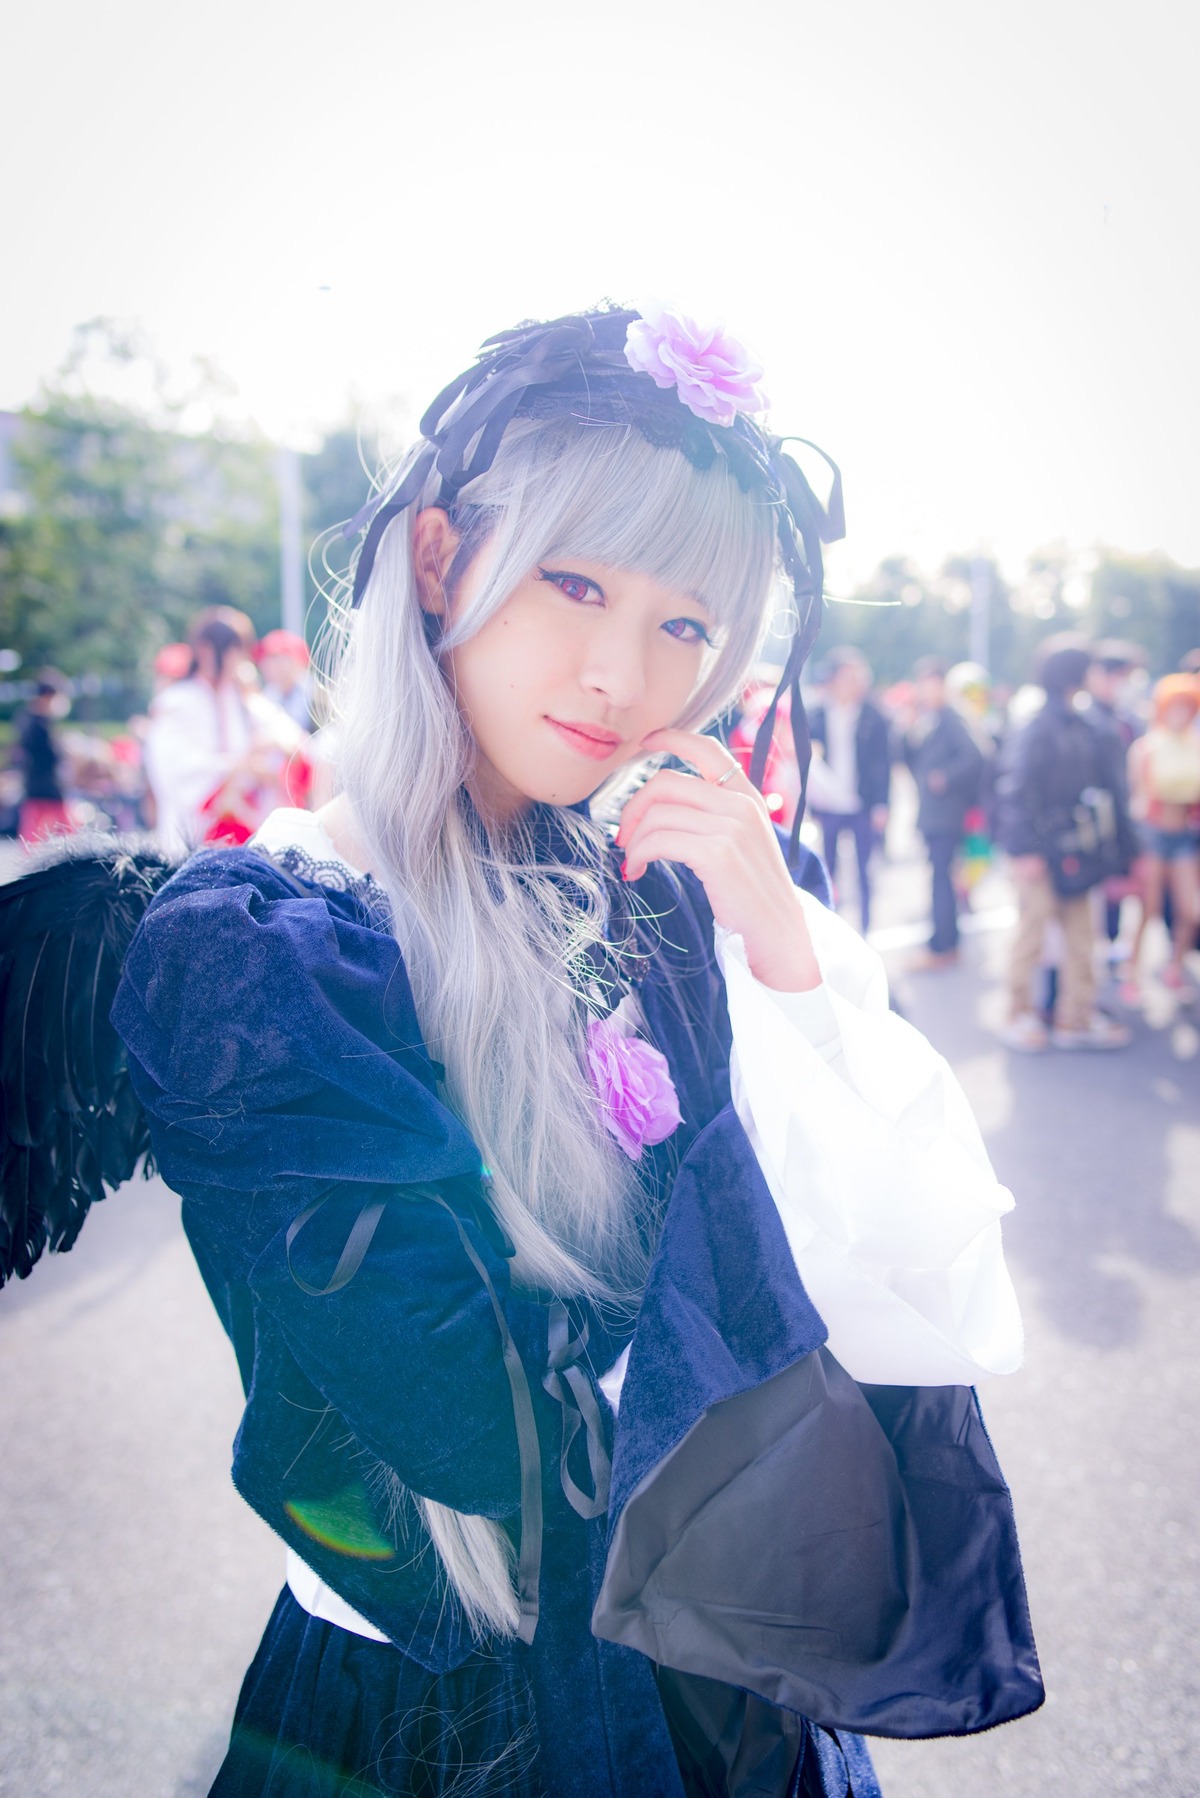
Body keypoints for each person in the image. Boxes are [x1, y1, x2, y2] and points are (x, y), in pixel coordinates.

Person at [111, 307, 1040, 1798]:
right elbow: (482, 1442)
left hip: (711, 1662)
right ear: (437, 559)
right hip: (436, 1714)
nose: (623, 673)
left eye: (684, 624)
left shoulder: (670, 888)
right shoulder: (270, 950)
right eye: (576, 582)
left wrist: (781, 951)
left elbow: (905, 1293)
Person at [994, 635, 1134, 1051]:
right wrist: (1024, 850)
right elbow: (1014, 790)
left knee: (1080, 938)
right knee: (1032, 934)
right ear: (1075, 674)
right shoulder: (1038, 725)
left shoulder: (1083, 722)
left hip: (1076, 848)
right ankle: (1018, 1013)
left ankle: (1076, 1016)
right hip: (1040, 850)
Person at [143, 606, 310, 852]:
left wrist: (271, 748)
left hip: (240, 827)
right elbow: (176, 771)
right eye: (232, 652)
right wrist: (238, 767)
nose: (238, 662)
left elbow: (291, 737)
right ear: (205, 651)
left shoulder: (242, 698)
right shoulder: (177, 702)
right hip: (194, 830)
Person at [902, 658, 984, 967]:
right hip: (934, 813)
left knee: (942, 879)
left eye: (931, 684)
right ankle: (943, 941)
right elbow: (908, 757)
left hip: (947, 814)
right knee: (940, 877)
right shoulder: (929, 717)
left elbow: (975, 755)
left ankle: (943, 945)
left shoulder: (951, 717)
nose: (926, 690)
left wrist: (945, 778)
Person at [1124, 674, 1200, 993]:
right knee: (1148, 908)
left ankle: (1174, 966)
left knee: (1189, 910)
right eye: (1175, 707)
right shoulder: (1147, 747)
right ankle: (1132, 974)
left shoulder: (1193, 746)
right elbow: (1136, 797)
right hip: (1153, 834)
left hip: (1184, 834)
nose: (1180, 714)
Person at [807, 648, 891, 933]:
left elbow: (884, 764)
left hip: (862, 803)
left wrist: (882, 804)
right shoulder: (816, 715)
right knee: (828, 868)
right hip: (829, 805)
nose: (854, 683)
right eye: (847, 676)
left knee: (865, 870)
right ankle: (831, 926)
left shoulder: (873, 716)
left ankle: (867, 928)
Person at [15, 672, 71, 843]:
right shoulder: (40, 722)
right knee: (63, 825)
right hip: (46, 780)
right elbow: (50, 753)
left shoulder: (26, 717)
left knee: (33, 825)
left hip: (32, 779)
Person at [256, 627, 316, 730]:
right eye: (266, 659)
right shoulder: (268, 694)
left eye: (275, 658)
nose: (268, 665)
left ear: (296, 661)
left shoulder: (316, 695)